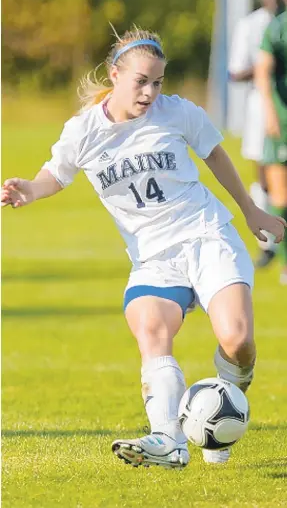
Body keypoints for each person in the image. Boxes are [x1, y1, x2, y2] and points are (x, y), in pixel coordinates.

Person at [2, 27, 286, 469]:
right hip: (154, 258)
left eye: (158, 82)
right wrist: (29, 190)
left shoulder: (178, 113)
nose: (151, 92)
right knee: (150, 328)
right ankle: (167, 438)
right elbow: (55, 175)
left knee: (238, 340)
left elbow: (215, 155)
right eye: (141, 81)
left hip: (207, 236)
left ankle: (222, 413)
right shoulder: (84, 131)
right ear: (115, 74)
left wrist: (252, 211)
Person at [229, 0, 280, 269]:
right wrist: (267, 66)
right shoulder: (250, 25)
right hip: (260, 107)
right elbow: (235, 72)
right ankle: (267, 243)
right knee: (263, 174)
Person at [255, 0, 287, 285]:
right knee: (281, 193)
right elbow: (262, 72)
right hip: (283, 120)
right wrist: (270, 112)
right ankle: (284, 262)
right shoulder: (277, 27)